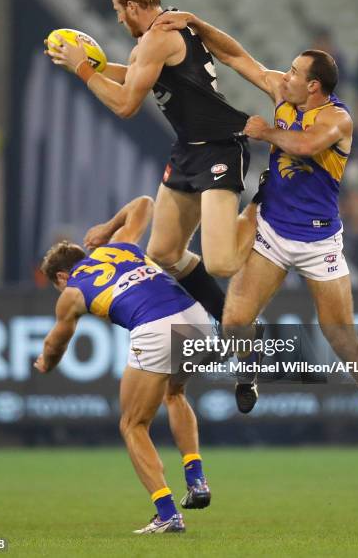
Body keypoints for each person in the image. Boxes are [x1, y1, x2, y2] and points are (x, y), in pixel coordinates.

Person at [152, 11, 358, 474]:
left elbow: (305, 146)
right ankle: (249, 370)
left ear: (313, 87)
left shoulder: (338, 120)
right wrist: (197, 25)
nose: (283, 76)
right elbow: (235, 56)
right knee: (235, 322)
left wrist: (263, 130)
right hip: (271, 229)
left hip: (318, 240)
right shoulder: (284, 94)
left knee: (342, 338)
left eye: (293, 72)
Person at [45, 0, 255, 326]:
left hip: (220, 146)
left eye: (117, 10)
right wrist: (84, 63)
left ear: (131, 6)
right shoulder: (156, 35)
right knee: (162, 253)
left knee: (221, 262)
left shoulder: (157, 40)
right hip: (189, 149)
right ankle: (231, 321)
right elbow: (133, 74)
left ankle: (264, 206)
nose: (117, 17)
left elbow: (126, 105)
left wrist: (84, 70)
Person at [35, 196, 222, 534]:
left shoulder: (72, 292)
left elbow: (55, 342)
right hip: (197, 318)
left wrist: (46, 363)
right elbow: (145, 204)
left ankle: (167, 513)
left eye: (56, 285)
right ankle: (195, 478)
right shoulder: (118, 246)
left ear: (62, 275)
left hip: (154, 327)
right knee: (175, 393)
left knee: (132, 425)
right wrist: (108, 228)